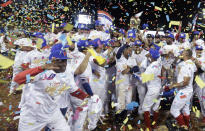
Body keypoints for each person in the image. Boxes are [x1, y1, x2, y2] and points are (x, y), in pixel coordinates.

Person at [14, 48, 89, 131]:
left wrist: (87, 98)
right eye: (60, 61)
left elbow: (74, 91)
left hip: (52, 112)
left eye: (65, 61)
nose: (64, 64)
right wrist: (40, 68)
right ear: (52, 61)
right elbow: (18, 79)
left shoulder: (67, 74)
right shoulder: (41, 73)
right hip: (33, 114)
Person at [169, 49, 197, 130]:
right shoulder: (191, 63)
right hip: (188, 91)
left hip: (184, 92)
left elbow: (185, 82)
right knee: (185, 109)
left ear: (186, 55)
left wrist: (174, 85)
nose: (182, 53)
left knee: (174, 110)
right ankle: (187, 126)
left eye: (183, 53)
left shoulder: (186, 65)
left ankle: (183, 127)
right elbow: (196, 70)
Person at [142, 48, 162, 130]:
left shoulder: (150, 67)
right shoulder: (159, 63)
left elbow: (143, 79)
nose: (148, 54)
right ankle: (154, 125)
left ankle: (148, 127)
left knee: (145, 108)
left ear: (152, 56)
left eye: (149, 54)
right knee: (155, 107)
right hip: (159, 90)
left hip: (152, 91)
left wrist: (134, 73)